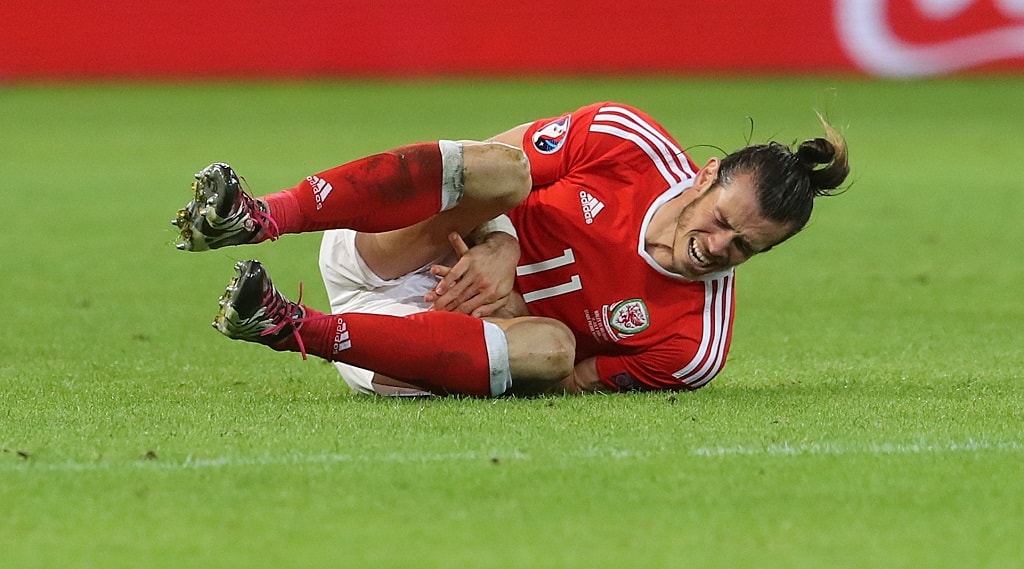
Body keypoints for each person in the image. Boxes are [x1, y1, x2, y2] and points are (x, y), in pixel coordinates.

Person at [172, 102, 849, 397]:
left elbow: (563, 379)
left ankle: (286, 326)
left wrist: (507, 308)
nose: (718, 248)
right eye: (724, 220)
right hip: (395, 250)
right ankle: (263, 216)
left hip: (414, 345)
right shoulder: (626, 140)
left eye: (746, 250)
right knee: (510, 171)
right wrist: (498, 240)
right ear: (707, 176)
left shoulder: (693, 346)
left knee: (552, 348)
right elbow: (482, 164)